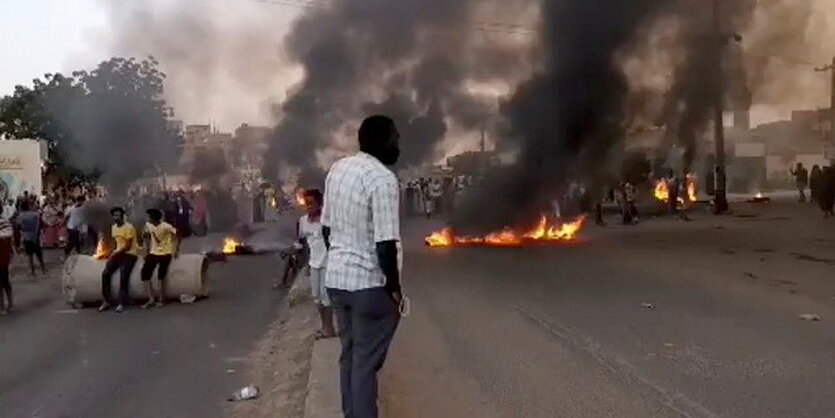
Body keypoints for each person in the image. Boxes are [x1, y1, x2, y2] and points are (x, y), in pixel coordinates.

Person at [323, 115, 402, 418]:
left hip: (337, 282)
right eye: (396, 139)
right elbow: (385, 243)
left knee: (351, 356)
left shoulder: (338, 169)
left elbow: (328, 230)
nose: (398, 146)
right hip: (368, 285)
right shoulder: (382, 179)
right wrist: (394, 289)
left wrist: (343, 258)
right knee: (366, 364)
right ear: (383, 141)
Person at [298, 189, 336, 339]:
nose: (309, 207)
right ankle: (324, 326)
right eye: (307, 204)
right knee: (317, 298)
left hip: (327, 261)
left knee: (326, 297)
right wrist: (306, 263)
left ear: (319, 203)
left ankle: (329, 328)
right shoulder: (303, 222)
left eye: (312, 203)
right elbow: (304, 244)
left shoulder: (326, 220)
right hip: (314, 263)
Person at [98, 207, 140, 313]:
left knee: (123, 274)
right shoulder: (114, 228)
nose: (116, 217)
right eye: (114, 215)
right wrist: (109, 252)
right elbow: (116, 243)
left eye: (118, 215)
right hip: (118, 253)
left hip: (130, 254)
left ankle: (121, 302)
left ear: (122, 216)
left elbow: (128, 246)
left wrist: (115, 253)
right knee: (105, 273)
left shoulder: (129, 227)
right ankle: (107, 300)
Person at [140, 209, 179, 308]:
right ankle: (151, 298)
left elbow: (177, 234)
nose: (147, 219)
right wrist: (146, 250)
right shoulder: (148, 225)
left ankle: (161, 299)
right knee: (145, 274)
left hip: (166, 253)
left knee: (161, 275)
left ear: (154, 218)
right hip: (153, 252)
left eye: (149, 217)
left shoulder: (166, 226)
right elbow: (146, 237)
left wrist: (176, 249)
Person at [17, 201, 46, 276]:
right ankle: (43, 269)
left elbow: (19, 225)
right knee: (39, 254)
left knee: (30, 255)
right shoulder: (35, 214)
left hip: (27, 237)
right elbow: (40, 224)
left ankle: (32, 271)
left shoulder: (21, 215)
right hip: (35, 236)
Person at [0, 207, 13, 315]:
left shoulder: (4, 222)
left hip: (3, 257)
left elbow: (7, 235)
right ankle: (5, 304)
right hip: (4, 257)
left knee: (4, 281)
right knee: (4, 281)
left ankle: (6, 305)